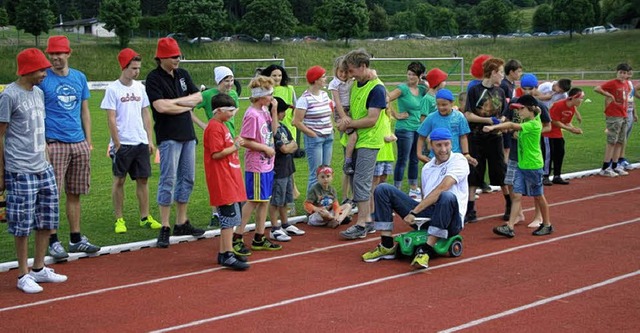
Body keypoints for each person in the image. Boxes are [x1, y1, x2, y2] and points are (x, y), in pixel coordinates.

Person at [0, 48, 68, 293]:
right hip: (20, 170)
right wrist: (1, 172)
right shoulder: (9, 96)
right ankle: (22, 274)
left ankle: (39, 269)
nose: (45, 74)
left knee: (46, 220)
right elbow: (1, 135)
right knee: (22, 224)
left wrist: (47, 160)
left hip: (43, 167)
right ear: (27, 70)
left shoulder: (38, 93)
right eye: (41, 70)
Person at [362, 128, 469, 269]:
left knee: (446, 196)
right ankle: (386, 245)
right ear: (430, 145)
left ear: (451, 144)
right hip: (430, 214)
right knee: (383, 189)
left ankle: (426, 251)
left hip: (451, 220)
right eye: (439, 145)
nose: (443, 149)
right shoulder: (427, 168)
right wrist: (417, 213)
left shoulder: (459, 160)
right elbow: (426, 196)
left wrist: (414, 212)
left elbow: (443, 188)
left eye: (446, 144)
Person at [40, 35, 100, 259]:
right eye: (52, 54)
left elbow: (84, 110)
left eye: (59, 53)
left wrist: (88, 140)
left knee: (75, 192)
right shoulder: (43, 79)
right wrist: (44, 141)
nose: (55, 57)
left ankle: (76, 238)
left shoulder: (79, 77)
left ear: (68, 53)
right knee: (52, 194)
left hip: (78, 142)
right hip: (54, 143)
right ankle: (53, 241)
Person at [145, 37, 205, 248]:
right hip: (168, 135)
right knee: (168, 179)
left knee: (187, 178)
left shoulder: (183, 75)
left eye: (178, 55)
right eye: (173, 56)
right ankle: (164, 225)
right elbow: (160, 107)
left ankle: (181, 221)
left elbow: (198, 97)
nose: (177, 59)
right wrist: (183, 104)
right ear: (162, 57)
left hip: (188, 134)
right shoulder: (153, 78)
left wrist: (175, 103)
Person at [101, 48, 161, 234]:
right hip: (123, 144)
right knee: (119, 181)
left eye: (138, 68)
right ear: (124, 67)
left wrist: (149, 139)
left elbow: (145, 113)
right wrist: (117, 143)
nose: (137, 71)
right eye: (133, 68)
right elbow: (111, 117)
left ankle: (145, 217)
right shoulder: (112, 89)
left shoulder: (140, 88)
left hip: (140, 142)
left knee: (142, 180)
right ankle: (119, 219)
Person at [337, 49, 388, 240]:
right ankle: (366, 220)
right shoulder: (357, 84)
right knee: (353, 178)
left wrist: (347, 124)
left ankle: (363, 222)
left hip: (368, 140)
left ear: (363, 66)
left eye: (352, 70)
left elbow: (372, 119)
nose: (350, 75)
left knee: (362, 180)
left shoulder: (377, 88)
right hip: (354, 138)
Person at [486, 95, 553, 238]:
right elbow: (536, 114)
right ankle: (509, 227)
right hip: (522, 165)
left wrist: (494, 126)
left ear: (531, 109)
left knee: (539, 196)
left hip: (533, 166)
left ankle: (547, 224)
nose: (519, 112)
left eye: (521, 109)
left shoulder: (533, 124)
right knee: (516, 196)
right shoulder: (530, 119)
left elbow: (511, 125)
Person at [233, 75, 282, 256]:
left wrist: (274, 111)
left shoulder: (265, 111)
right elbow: (243, 140)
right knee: (253, 200)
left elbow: (274, 131)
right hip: (256, 165)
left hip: (268, 164)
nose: (272, 97)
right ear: (261, 96)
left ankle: (259, 237)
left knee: (264, 200)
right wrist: (264, 148)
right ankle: (236, 236)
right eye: (270, 94)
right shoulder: (252, 115)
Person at [203, 94, 249, 270]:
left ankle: (224, 253)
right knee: (229, 218)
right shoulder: (214, 128)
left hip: (229, 177)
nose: (232, 114)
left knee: (232, 217)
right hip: (222, 179)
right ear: (219, 110)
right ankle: (228, 254)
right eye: (229, 111)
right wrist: (235, 146)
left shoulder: (221, 126)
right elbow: (216, 153)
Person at [463, 57, 511, 223]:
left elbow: (504, 113)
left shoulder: (501, 92)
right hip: (476, 137)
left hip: (495, 138)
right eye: (501, 73)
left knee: (500, 170)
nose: (503, 76)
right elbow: (468, 115)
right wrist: (488, 121)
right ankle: (470, 209)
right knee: (474, 172)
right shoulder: (475, 90)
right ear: (493, 73)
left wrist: (501, 121)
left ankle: (510, 205)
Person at [192, 66, 240, 229]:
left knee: (231, 176)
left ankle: (230, 209)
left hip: (231, 139)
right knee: (218, 178)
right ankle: (216, 214)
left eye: (231, 80)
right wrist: (204, 125)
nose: (229, 84)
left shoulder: (233, 94)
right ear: (219, 81)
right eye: (226, 80)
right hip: (216, 138)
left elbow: (235, 110)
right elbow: (189, 109)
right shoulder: (207, 95)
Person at [386, 62, 427, 200]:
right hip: (404, 129)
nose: (410, 77)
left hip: (418, 128)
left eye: (414, 75)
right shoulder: (402, 89)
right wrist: (396, 114)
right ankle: (397, 189)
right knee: (403, 159)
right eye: (409, 74)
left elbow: (433, 93)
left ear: (420, 76)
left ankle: (413, 188)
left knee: (415, 158)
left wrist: (426, 84)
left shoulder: (422, 89)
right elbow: (386, 99)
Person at [269, 97, 305, 241]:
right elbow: (284, 148)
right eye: (283, 111)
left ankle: (285, 224)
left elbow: (294, 144)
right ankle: (274, 228)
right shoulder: (272, 129)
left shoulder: (282, 127)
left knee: (285, 198)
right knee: (276, 200)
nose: (284, 114)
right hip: (278, 169)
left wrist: (289, 147)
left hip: (288, 168)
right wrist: (289, 147)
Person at [293, 65, 334, 192]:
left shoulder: (324, 95)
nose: (325, 79)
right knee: (315, 173)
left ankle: (324, 200)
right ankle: (311, 204)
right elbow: (296, 121)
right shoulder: (304, 99)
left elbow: (329, 112)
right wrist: (312, 134)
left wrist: (331, 128)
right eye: (323, 77)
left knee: (326, 171)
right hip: (315, 139)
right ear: (315, 80)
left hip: (328, 137)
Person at [416, 89, 474, 166]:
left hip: (454, 158)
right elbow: (421, 137)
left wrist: (466, 153)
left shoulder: (459, 117)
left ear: (451, 103)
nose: (440, 107)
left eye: (444, 105)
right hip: (436, 157)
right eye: (438, 105)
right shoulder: (431, 117)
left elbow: (463, 137)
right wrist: (419, 154)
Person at [594, 63, 633, 177]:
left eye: (625, 73)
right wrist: (608, 95)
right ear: (617, 72)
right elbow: (597, 88)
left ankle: (615, 165)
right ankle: (605, 167)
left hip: (624, 114)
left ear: (627, 75)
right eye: (621, 72)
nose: (622, 75)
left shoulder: (626, 84)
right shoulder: (612, 83)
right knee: (612, 141)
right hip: (614, 115)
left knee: (621, 141)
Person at [542, 88, 585, 185]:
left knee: (560, 153)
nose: (581, 100)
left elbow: (567, 122)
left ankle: (557, 175)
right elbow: (554, 121)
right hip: (548, 133)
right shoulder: (558, 105)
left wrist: (573, 129)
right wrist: (569, 129)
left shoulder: (572, 108)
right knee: (548, 155)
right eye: (580, 98)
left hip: (557, 133)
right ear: (573, 98)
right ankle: (545, 176)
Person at [261, 64, 303, 157]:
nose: (277, 78)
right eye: (274, 75)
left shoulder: (289, 89)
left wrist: (294, 118)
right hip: (272, 120)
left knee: (288, 142)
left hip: (287, 120)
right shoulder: (266, 90)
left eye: (279, 75)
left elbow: (296, 105)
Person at [328, 56, 355, 202]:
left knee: (354, 134)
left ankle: (351, 195)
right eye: (341, 72)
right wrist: (343, 116)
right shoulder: (334, 84)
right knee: (350, 132)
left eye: (346, 72)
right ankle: (348, 159)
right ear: (336, 71)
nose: (343, 75)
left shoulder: (352, 81)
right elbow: (337, 103)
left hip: (352, 110)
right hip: (341, 111)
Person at [500, 59, 523, 164]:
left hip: (510, 119)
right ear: (511, 72)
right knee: (506, 147)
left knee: (508, 147)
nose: (520, 74)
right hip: (506, 119)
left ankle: (507, 169)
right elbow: (503, 104)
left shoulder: (511, 84)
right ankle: (505, 170)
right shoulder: (504, 85)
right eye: (518, 71)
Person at [616, 73, 637, 170]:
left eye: (630, 73)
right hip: (622, 114)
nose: (630, 75)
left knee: (625, 138)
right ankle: (616, 160)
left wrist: (634, 113)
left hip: (629, 113)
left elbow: (632, 99)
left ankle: (621, 159)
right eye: (627, 73)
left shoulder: (630, 84)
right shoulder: (620, 84)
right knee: (621, 137)